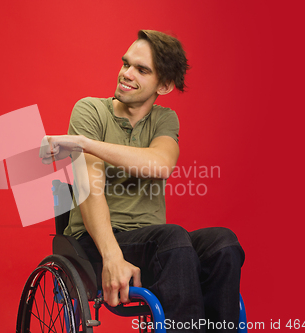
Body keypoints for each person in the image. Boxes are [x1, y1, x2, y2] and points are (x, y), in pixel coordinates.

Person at [40, 30, 245, 332]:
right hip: (97, 243)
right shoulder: (90, 110)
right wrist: (112, 256)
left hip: (156, 244)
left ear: (163, 85)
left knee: (223, 243)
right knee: (173, 239)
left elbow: (160, 165)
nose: (126, 74)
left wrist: (85, 143)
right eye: (126, 64)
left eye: (141, 69)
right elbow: (89, 190)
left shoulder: (164, 119)